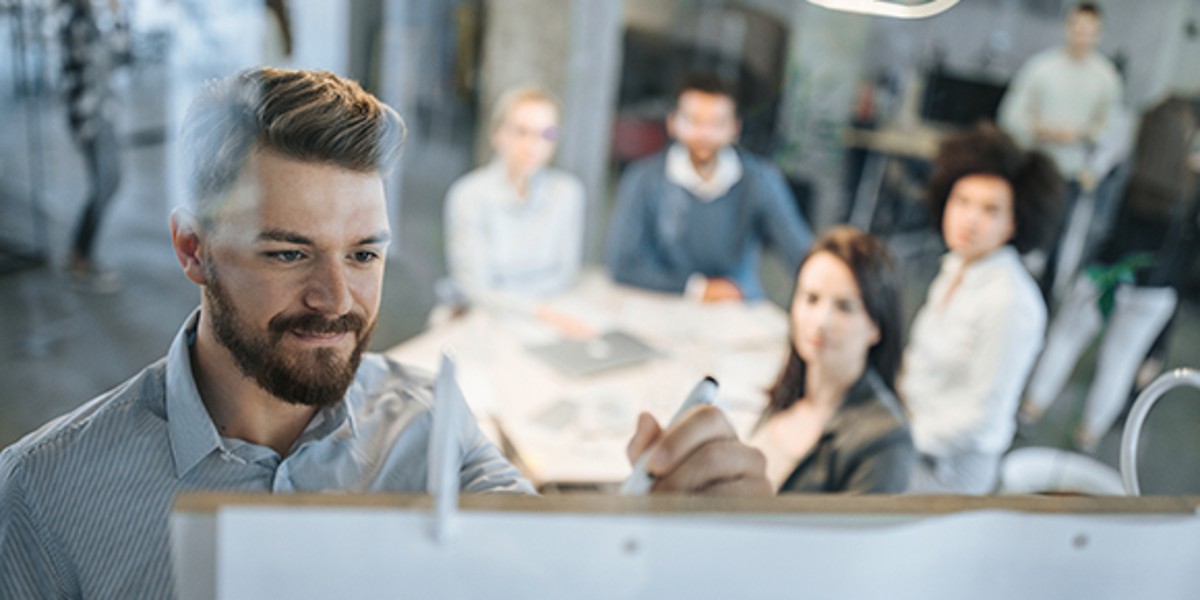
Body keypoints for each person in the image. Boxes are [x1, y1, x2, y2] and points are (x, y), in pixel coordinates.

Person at [0, 67, 770, 597]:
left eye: (364, 253)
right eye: (288, 252)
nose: (336, 298)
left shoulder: (434, 425)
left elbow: (552, 571)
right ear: (193, 249)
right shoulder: (40, 494)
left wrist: (686, 550)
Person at [901, 124, 1062, 495]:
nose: (969, 219)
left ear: (1014, 223)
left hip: (949, 471)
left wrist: (903, 438)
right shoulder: (956, 266)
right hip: (913, 434)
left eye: (990, 210)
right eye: (962, 201)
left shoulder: (1010, 301)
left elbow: (980, 416)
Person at [605, 72, 812, 302]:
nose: (704, 133)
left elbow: (801, 253)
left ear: (735, 127)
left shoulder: (759, 179)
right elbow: (623, 264)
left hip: (737, 305)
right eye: (693, 121)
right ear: (672, 123)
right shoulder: (644, 179)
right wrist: (699, 289)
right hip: (663, 303)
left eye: (716, 123)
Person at [749, 226, 913, 493]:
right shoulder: (790, 390)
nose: (820, 321)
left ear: (876, 326)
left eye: (844, 307)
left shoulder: (885, 441)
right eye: (811, 299)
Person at [998, 1, 1123, 294]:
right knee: (1015, 228)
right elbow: (1011, 115)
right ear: (1068, 27)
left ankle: (1042, 298)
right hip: (1034, 166)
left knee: (1056, 239)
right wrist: (1040, 130)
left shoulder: (1106, 78)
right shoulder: (1041, 67)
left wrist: (1081, 134)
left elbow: (1110, 128)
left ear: (1099, 33)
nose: (1082, 37)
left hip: (1071, 173)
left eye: (1089, 32)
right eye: (1077, 29)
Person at [443, 86, 585, 307]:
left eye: (547, 134)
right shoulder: (469, 195)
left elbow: (565, 275)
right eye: (522, 132)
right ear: (497, 134)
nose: (534, 145)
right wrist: (535, 309)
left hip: (548, 313)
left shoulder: (567, 193)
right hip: (480, 315)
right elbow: (475, 289)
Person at [59, 0, 128, 292]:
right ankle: (81, 257)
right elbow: (102, 60)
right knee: (105, 184)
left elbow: (121, 56)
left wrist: (116, 17)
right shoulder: (76, 19)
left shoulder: (87, 17)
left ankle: (80, 253)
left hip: (102, 114)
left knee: (110, 182)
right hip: (91, 117)